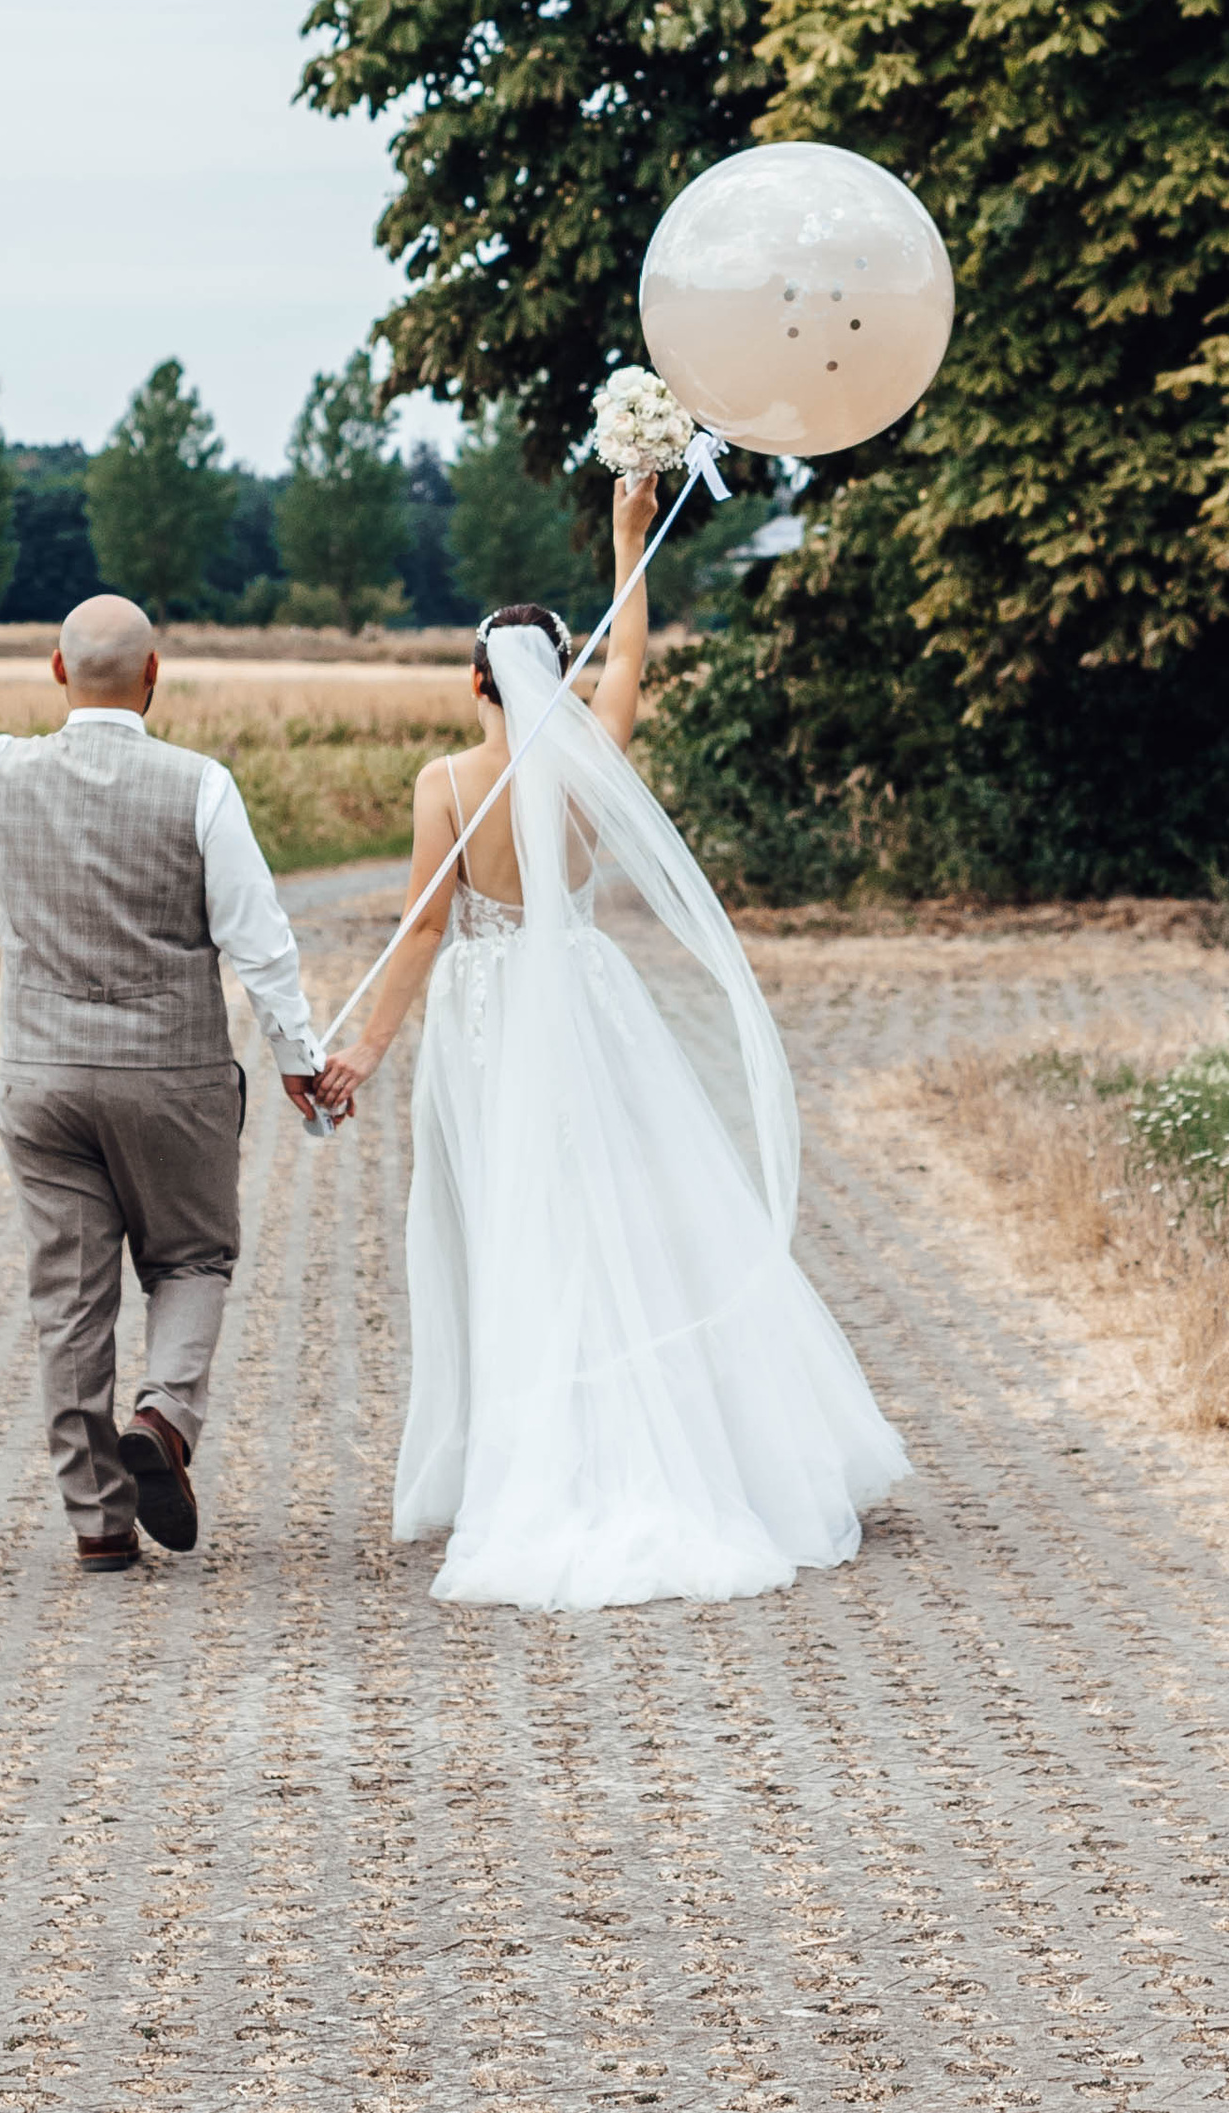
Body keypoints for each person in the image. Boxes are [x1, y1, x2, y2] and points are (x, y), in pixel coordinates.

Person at [316, 474, 908, 1610]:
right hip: (586, 1000)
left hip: (488, 1025)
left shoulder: (444, 782)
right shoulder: (586, 751)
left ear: (472, 682)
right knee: (618, 1213)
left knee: (511, 1223)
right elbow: (630, 661)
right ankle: (693, 1444)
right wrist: (631, 534)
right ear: (555, 676)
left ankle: (539, 1457)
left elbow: (425, 924)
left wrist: (365, 1050)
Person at [0, 597, 326, 1571]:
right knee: (190, 1260)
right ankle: (163, 1418)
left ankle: (98, 1523)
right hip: (172, 1078)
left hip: (43, 1082)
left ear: (56, 670)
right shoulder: (202, 788)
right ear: (154, 675)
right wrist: (298, 1059)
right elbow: (261, 944)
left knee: (69, 1299)